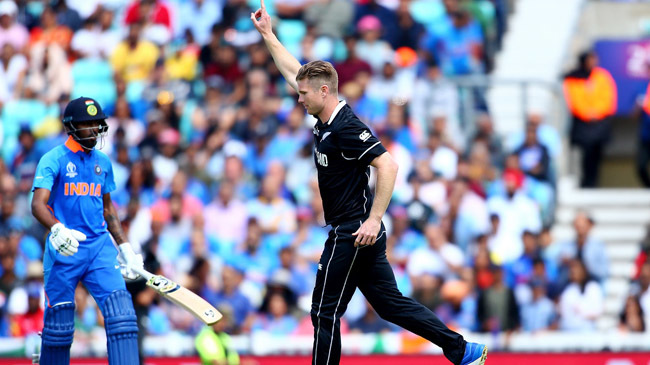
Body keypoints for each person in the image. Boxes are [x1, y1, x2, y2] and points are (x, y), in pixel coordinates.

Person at [251, 2, 488, 364]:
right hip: (360, 231)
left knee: (324, 312)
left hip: (353, 231)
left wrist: (374, 220)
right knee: (390, 305)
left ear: (325, 92)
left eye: (304, 94)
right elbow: (293, 71)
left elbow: (388, 165)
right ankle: (462, 350)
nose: (297, 98)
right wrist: (269, 34)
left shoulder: (347, 126)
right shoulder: (324, 114)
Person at [31, 97, 143, 364]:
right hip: (64, 248)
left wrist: (126, 248)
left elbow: (109, 210)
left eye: (97, 123)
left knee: (122, 316)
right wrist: (57, 229)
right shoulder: (53, 159)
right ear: (71, 127)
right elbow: (37, 205)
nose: (94, 129)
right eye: (87, 124)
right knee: (60, 327)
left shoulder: (102, 162)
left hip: (99, 248)